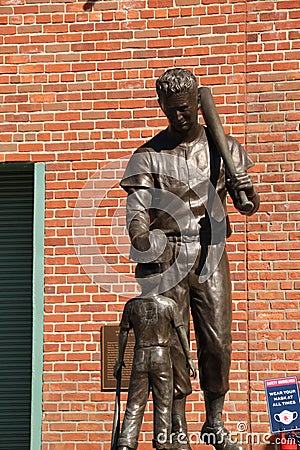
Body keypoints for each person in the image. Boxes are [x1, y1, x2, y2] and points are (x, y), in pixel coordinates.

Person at [120, 68, 260, 450]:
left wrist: (246, 190)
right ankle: (176, 426)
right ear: (162, 107)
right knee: (173, 343)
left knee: (217, 340)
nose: (178, 117)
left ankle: (214, 421)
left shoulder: (224, 148)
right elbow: (137, 208)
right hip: (167, 257)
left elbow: (249, 206)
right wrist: (141, 239)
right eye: (170, 111)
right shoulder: (148, 155)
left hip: (210, 251)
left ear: (197, 102)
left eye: (184, 109)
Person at [114, 262, 196, 450]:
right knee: (163, 405)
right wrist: (189, 358)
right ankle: (162, 443)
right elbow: (181, 332)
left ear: (138, 280)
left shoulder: (131, 306)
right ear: (159, 280)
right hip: (161, 357)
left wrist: (120, 359)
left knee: (134, 404)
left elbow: (123, 332)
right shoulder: (169, 305)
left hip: (140, 356)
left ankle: (126, 443)